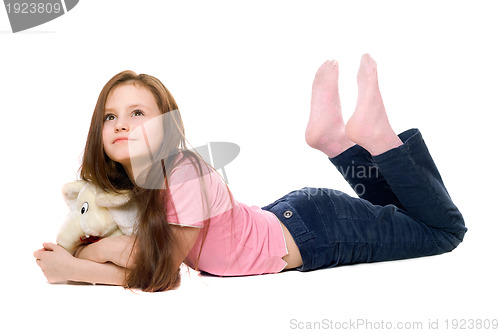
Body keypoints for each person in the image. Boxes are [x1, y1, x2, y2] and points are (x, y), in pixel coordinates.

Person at [34, 54, 467, 292]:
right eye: (110, 117)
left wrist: (81, 265)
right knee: (403, 215)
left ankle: (380, 140)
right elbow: (140, 260)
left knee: (443, 231)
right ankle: (335, 140)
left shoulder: (183, 173)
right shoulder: (137, 187)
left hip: (319, 231)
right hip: (297, 219)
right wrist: (92, 256)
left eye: (137, 112)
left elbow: (159, 272)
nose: (121, 124)